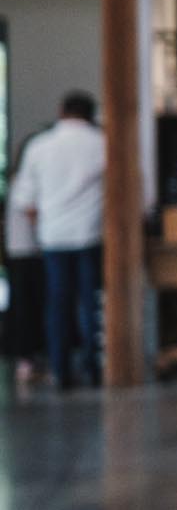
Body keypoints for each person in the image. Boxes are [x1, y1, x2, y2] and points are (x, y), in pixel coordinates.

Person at [10, 94, 106, 388]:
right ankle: (93, 367)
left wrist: (42, 225)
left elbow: (23, 199)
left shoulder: (40, 146)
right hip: (90, 234)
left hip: (54, 237)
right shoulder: (101, 143)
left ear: (61, 111)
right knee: (90, 303)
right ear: (90, 115)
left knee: (57, 305)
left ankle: (61, 369)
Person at [3, 131, 51, 386]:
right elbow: (32, 213)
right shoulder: (24, 181)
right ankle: (26, 359)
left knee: (25, 305)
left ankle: (28, 359)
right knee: (27, 307)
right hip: (28, 250)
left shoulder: (19, 180)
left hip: (21, 250)